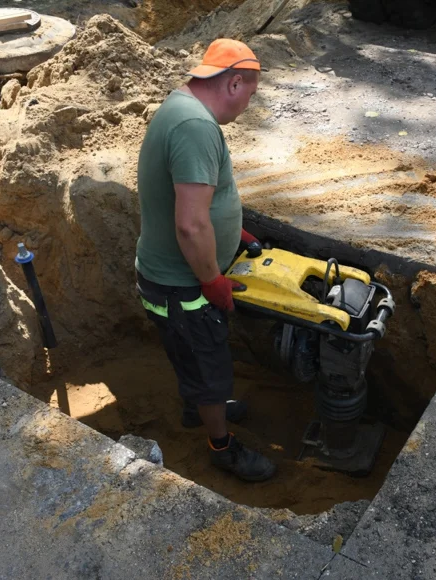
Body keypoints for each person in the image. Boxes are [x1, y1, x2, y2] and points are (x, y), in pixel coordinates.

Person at [134, 39, 275, 482]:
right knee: (209, 364)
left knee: (191, 356)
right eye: (250, 95)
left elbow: (197, 204)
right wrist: (212, 279)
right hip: (183, 286)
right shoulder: (195, 127)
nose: (248, 106)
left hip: (169, 278)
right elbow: (192, 227)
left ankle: (201, 407)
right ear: (234, 82)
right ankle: (222, 446)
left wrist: (235, 231)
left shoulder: (181, 108)